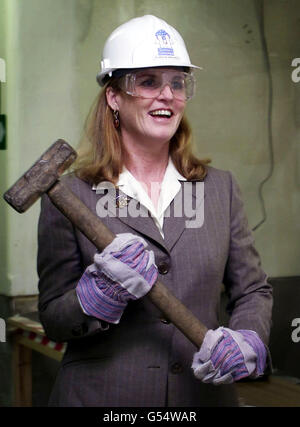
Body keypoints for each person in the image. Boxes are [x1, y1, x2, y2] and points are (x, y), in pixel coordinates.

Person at [37, 15, 273, 407]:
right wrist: (95, 296)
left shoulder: (219, 189)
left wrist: (247, 337)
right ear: (114, 96)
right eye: (148, 81)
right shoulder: (71, 195)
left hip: (200, 399)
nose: (167, 95)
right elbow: (54, 318)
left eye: (177, 82)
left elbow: (252, 289)